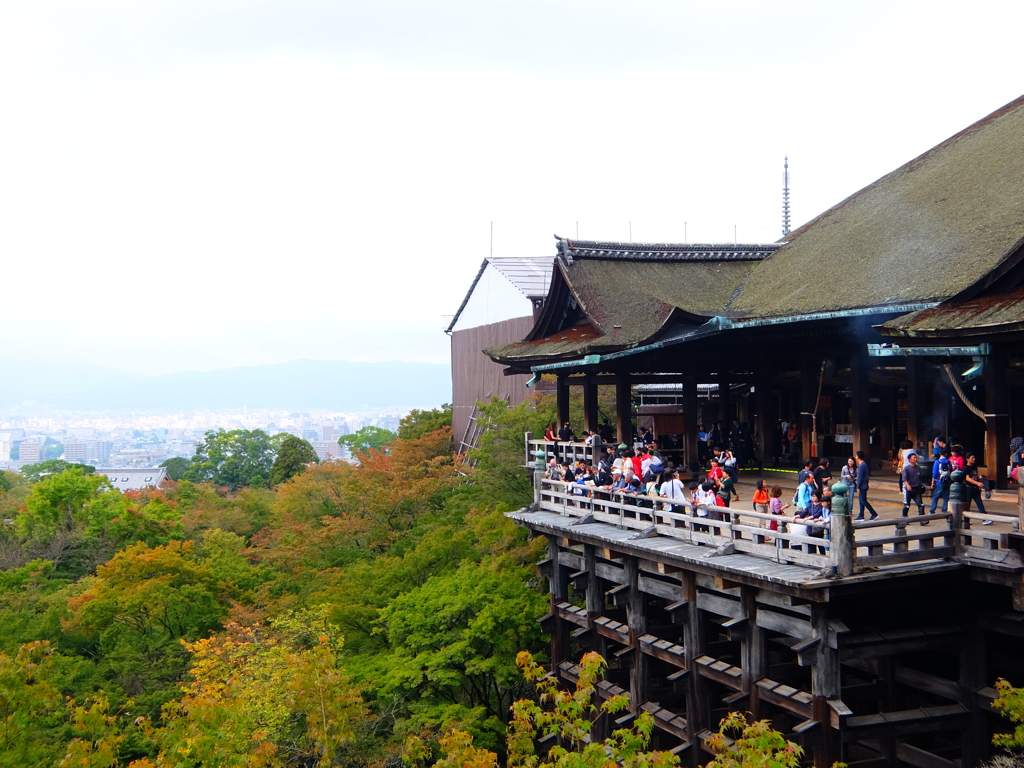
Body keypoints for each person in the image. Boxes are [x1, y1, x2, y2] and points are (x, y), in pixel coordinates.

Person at [964, 453, 992, 523]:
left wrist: (979, 485)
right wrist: (977, 483)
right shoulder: (966, 468)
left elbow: (976, 476)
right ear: (967, 459)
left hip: (975, 488)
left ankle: (984, 519)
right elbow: (967, 478)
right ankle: (965, 520)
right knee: (967, 505)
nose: (974, 459)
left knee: (980, 504)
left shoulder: (974, 467)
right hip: (968, 488)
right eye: (972, 458)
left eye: (974, 458)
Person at [853, 450, 879, 521]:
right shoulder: (862, 465)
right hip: (863, 485)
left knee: (863, 501)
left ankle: (874, 513)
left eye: (856, 455)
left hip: (862, 486)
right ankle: (861, 515)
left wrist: (858, 487)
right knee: (861, 501)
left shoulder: (862, 465)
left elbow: (860, 477)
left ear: (858, 457)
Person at [928, 447, 954, 517]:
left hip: (939, 482)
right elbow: (951, 471)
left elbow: (935, 473)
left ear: (940, 453)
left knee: (935, 497)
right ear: (946, 454)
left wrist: (932, 482)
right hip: (947, 481)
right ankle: (944, 510)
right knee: (946, 496)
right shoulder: (949, 462)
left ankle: (932, 510)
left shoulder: (937, 462)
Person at [901, 452, 925, 518]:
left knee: (921, 504)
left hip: (916, 489)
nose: (915, 459)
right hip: (909, 489)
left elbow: (920, 478)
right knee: (907, 505)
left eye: (915, 457)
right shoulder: (906, 468)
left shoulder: (918, 468)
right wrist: (908, 485)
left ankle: (922, 519)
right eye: (913, 458)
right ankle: (904, 518)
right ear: (909, 460)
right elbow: (904, 479)